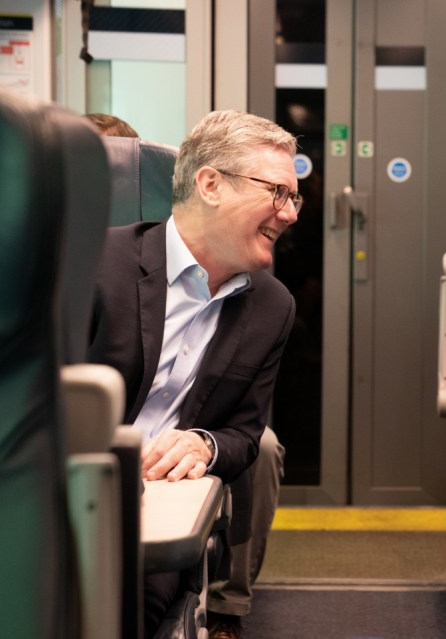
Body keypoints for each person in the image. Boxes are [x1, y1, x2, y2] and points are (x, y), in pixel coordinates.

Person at [87, 109, 301, 639]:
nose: (291, 213)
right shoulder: (97, 263)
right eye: (278, 192)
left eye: (295, 197)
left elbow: (246, 437)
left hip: (164, 504)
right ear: (210, 184)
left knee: (131, 610)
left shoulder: (273, 306)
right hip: (72, 489)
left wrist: (204, 444)